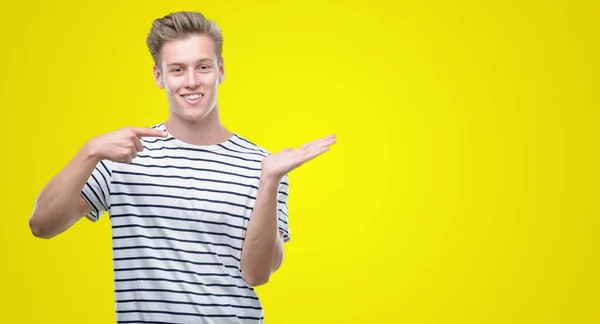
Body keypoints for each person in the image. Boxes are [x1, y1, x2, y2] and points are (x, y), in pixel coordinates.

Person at [29, 11, 336, 324]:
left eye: (203, 67)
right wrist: (90, 150)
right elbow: (42, 225)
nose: (192, 82)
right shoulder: (124, 155)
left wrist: (270, 179)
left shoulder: (265, 166)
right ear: (159, 76)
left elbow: (257, 275)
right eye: (177, 70)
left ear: (220, 70)